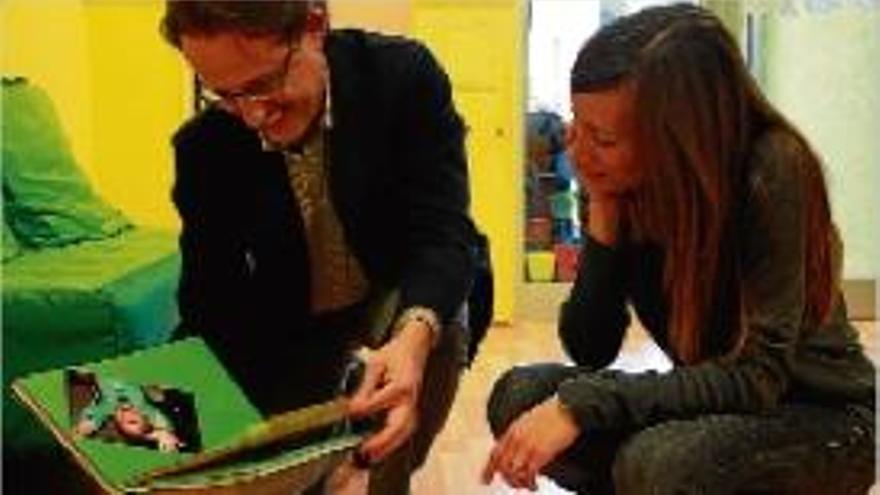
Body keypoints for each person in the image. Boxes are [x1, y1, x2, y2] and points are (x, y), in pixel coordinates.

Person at [483, 4, 875, 494]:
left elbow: (757, 378)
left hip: (821, 421)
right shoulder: (621, 180)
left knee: (658, 462)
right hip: (718, 409)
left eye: (602, 138)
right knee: (519, 396)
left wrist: (584, 404)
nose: (578, 154)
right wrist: (604, 215)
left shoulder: (772, 168)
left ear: (678, 139)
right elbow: (591, 346)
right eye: (575, 127)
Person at [159, 2, 477, 493]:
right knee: (295, 477)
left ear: (313, 26)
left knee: (417, 347)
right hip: (299, 323)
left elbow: (443, 234)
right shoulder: (204, 147)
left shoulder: (402, 77)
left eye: (264, 83)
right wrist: (168, 429)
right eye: (224, 95)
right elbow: (210, 303)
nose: (252, 115)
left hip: (404, 288)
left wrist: (413, 337)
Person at [73, 376, 183, 453]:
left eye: (120, 421)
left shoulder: (110, 406)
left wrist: (87, 426)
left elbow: (97, 415)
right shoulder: (142, 406)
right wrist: (163, 434)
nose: (124, 416)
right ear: (145, 417)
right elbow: (162, 423)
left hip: (104, 374)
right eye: (133, 421)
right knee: (158, 396)